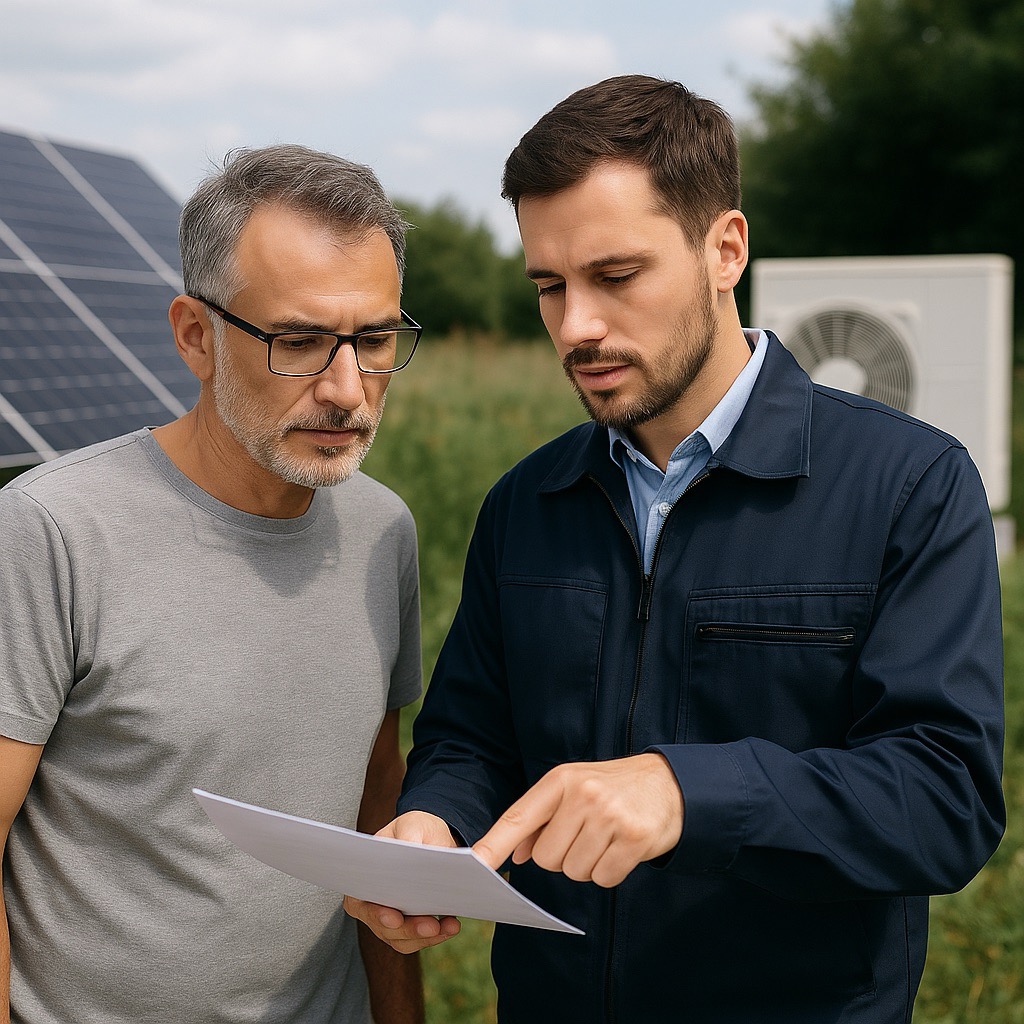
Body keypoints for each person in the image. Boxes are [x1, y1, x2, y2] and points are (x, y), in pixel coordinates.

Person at [344, 76, 1006, 1023]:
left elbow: (945, 801)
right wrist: (434, 821)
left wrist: (688, 792)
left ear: (724, 247)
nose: (576, 326)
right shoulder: (526, 503)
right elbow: (470, 736)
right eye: (549, 286)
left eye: (615, 277)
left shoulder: (909, 485)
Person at [0, 144, 425, 1023]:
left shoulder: (384, 531)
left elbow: (375, 801)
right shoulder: (52, 531)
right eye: (298, 342)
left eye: (375, 340)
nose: (348, 390)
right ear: (196, 336)